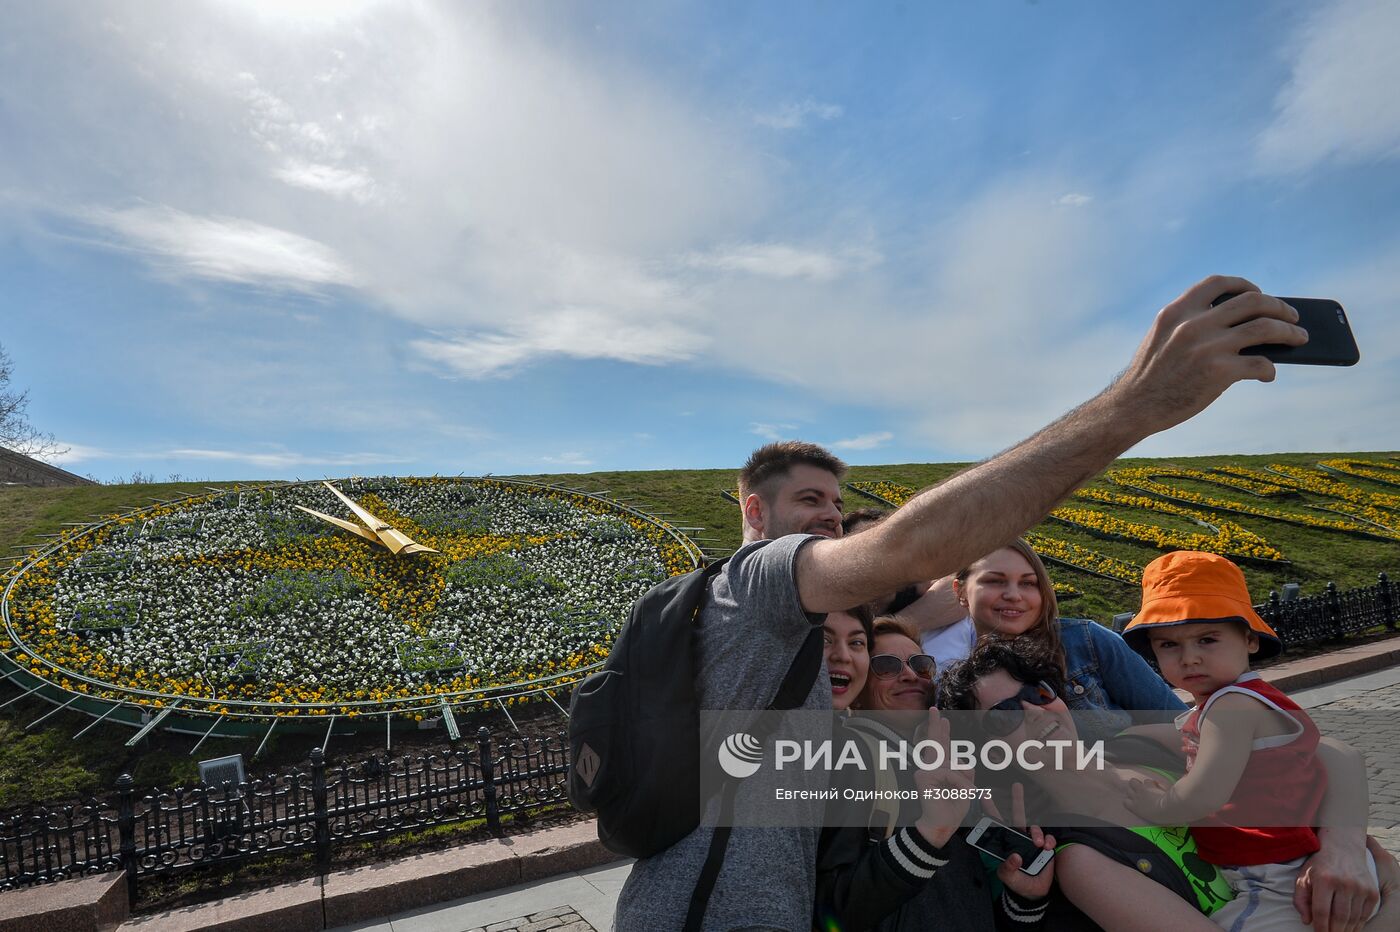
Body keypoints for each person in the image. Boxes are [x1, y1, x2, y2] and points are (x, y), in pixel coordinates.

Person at [615, 277, 1337, 931]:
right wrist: (1137, 404)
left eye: (837, 504)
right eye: (811, 502)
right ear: (754, 511)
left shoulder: (807, 653)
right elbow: (909, 550)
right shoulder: (752, 580)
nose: (833, 520)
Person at [939, 636, 1395, 932]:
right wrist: (1389, 899)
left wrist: (1344, 847)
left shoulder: (1140, 744)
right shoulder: (1081, 859)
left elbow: (1331, 752)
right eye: (1004, 715)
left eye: (1037, 692)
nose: (1037, 714)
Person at [1120, 551, 1380, 931]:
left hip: (1278, 877)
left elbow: (1203, 795)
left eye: (1207, 640)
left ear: (1250, 640)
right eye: (1169, 645)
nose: (1189, 658)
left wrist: (1159, 804)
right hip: (1295, 859)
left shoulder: (1230, 707)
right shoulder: (1246, 699)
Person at [815, 617, 1055, 931]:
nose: (910, 675)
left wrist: (1025, 900)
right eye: (886, 666)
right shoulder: (847, 752)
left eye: (922, 665)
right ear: (859, 684)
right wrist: (927, 835)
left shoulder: (950, 763)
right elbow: (828, 909)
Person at [921, 539, 1184, 738]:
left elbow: (1179, 722)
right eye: (995, 581)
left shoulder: (1085, 640)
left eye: (1028, 583)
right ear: (961, 592)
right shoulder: (950, 674)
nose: (1014, 595)